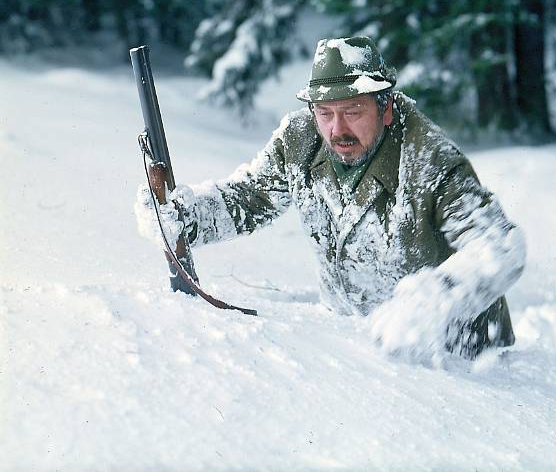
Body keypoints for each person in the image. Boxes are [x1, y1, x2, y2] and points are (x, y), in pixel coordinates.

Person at [135, 36, 526, 361]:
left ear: (386, 107)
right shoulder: (300, 140)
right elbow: (247, 199)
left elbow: (500, 246)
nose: (337, 129)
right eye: (324, 113)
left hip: (460, 362)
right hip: (353, 351)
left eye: (353, 111)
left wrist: (434, 300)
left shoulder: (429, 160)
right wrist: (184, 217)